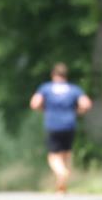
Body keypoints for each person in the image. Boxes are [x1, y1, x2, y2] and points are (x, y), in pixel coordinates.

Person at [30, 63, 92, 193]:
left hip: (53, 124)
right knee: (65, 154)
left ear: (53, 75)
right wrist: (77, 111)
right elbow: (86, 104)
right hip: (69, 124)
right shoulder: (73, 89)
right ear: (65, 75)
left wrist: (44, 109)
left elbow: (34, 103)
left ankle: (62, 172)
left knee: (53, 156)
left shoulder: (46, 88)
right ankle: (61, 187)